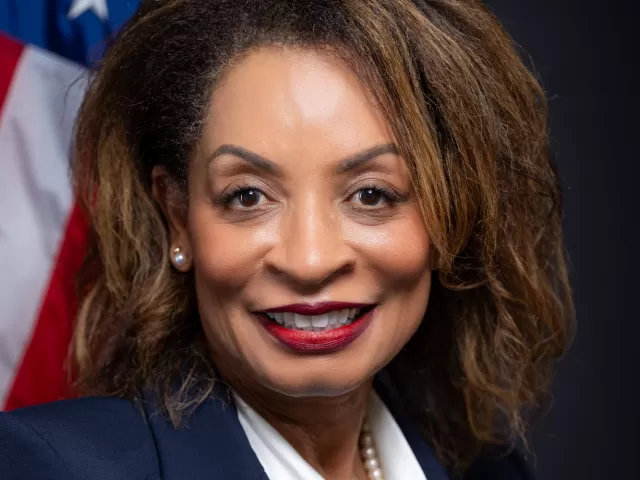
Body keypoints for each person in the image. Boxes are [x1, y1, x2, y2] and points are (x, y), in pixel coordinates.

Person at [0, 0, 575, 479]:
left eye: (371, 195)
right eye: (248, 196)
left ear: (451, 212)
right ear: (178, 218)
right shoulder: (49, 466)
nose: (310, 260)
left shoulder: (492, 471)